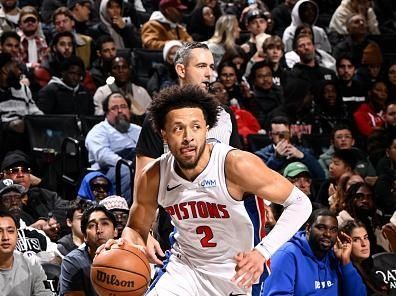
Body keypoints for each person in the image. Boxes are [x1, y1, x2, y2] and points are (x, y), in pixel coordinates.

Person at [100, 85, 312, 295]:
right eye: (177, 128)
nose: (188, 137)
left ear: (207, 129)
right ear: (163, 134)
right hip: (185, 269)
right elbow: (136, 229)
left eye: (195, 127)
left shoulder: (235, 165)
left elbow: (300, 203)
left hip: (238, 272)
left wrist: (262, 252)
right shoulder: (153, 175)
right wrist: (122, 246)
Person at [262, 208, 367, 295]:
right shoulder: (287, 254)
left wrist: (346, 262)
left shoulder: (335, 256)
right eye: (321, 228)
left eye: (333, 230)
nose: (328, 234)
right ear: (308, 228)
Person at [85, 92, 141, 203]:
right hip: (108, 168)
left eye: (123, 107)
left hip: (137, 162)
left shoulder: (138, 129)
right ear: (106, 113)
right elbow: (103, 155)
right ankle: (125, 209)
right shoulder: (98, 131)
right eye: (114, 108)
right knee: (125, 171)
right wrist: (127, 164)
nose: (120, 111)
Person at [59, 205, 118, 295]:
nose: (99, 230)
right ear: (85, 236)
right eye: (92, 225)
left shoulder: (130, 256)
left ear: (115, 231)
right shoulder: (73, 261)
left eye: (105, 223)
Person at [0, 210, 52, 296]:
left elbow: (45, 293)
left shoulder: (31, 263)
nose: (5, 237)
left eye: (10, 231)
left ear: (17, 235)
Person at [341, 220, 390, 295]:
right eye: (356, 240)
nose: (364, 244)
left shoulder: (370, 266)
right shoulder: (343, 271)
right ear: (345, 244)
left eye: (365, 238)